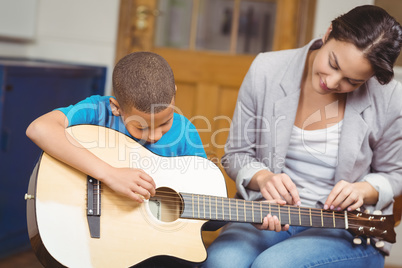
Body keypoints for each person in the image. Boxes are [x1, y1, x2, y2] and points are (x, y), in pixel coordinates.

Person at [202, 5, 402, 268]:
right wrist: (263, 178)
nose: (332, 83)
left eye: (352, 82)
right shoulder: (267, 70)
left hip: (346, 229)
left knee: (273, 265)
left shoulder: (388, 98)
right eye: (333, 63)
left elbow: (395, 174)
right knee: (221, 263)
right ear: (328, 33)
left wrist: (362, 190)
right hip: (268, 214)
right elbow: (236, 154)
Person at [26, 51, 206, 205]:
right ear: (116, 107)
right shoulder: (98, 111)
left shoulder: (185, 132)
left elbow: (205, 191)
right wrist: (109, 175)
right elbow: (39, 128)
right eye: (141, 127)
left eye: (165, 122)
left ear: (174, 92)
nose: (155, 135)